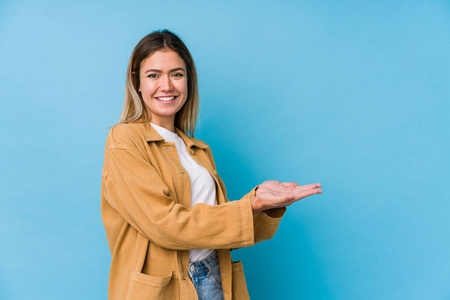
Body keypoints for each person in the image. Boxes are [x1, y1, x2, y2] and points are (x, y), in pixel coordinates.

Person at [100, 29, 322, 300]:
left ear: (188, 81)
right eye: (154, 75)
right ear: (136, 82)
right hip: (165, 289)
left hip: (214, 277)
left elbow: (220, 231)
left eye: (177, 74)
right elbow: (165, 225)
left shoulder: (199, 151)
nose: (167, 85)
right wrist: (249, 206)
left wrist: (265, 204)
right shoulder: (124, 140)